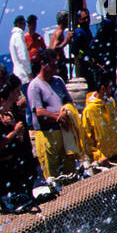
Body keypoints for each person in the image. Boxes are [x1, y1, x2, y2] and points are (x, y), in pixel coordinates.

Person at [0, 76, 39, 206]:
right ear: (2, 101)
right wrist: (14, 132)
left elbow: (20, 139)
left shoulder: (9, 115)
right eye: (8, 103)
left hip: (14, 164)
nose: (11, 105)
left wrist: (17, 129)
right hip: (1, 169)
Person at [27, 51, 81, 180]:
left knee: (70, 171)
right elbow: (38, 112)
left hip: (64, 132)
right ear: (43, 64)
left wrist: (65, 112)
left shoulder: (58, 81)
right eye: (52, 65)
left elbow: (68, 100)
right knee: (53, 175)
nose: (55, 68)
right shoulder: (35, 86)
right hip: (47, 135)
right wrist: (57, 116)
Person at [79, 77, 117, 165]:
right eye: (110, 87)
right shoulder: (89, 110)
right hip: (103, 162)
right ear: (103, 88)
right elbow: (86, 140)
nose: (112, 90)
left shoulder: (111, 103)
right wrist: (98, 156)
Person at [69, 10, 95, 85]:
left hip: (91, 63)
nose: (86, 20)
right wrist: (85, 57)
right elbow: (74, 50)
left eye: (87, 18)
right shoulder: (79, 32)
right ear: (79, 20)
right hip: (84, 65)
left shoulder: (87, 30)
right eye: (84, 19)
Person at [46, 12, 71, 78]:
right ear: (62, 20)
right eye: (67, 18)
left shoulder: (56, 32)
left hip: (57, 65)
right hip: (58, 66)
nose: (69, 21)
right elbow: (53, 49)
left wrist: (68, 60)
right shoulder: (59, 33)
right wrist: (66, 41)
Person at [9, 16, 32, 85]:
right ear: (18, 24)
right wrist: (29, 72)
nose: (25, 25)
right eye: (23, 23)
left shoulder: (13, 37)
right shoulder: (18, 36)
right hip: (24, 75)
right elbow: (23, 56)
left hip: (18, 74)